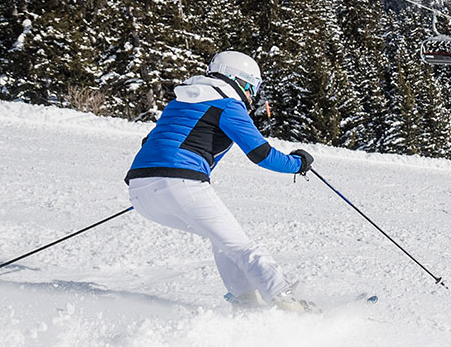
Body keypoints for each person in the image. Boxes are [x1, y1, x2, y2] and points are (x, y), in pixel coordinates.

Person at [125, 51, 317, 312]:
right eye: (253, 87)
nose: (252, 95)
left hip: (140, 192)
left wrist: (158, 186)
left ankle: (246, 300)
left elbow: (149, 143)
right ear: (239, 81)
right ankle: (286, 301)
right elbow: (261, 154)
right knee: (242, 247)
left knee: (223, 240)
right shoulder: (227, 104)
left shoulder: (180, 102)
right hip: (180, 184)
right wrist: (299, 163)